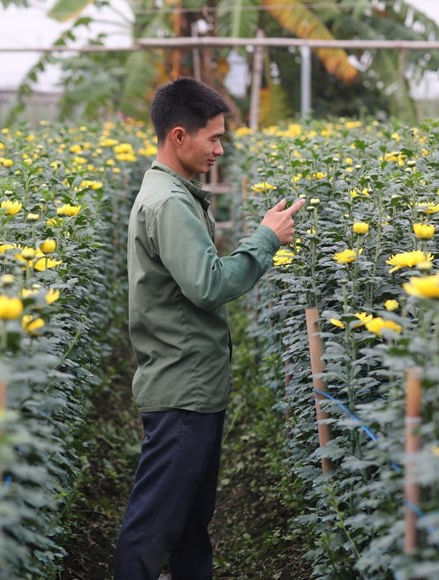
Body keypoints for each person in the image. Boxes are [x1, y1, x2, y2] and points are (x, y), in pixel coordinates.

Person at [113, 77, 304, 579]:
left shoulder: (173, 193)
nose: (220, 149)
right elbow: (208, 285)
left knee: (192, 526)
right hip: (182, 391)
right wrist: (265, 239)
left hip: (193, 386)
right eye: (213, 138)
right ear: (178, 136)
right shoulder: (170, 203)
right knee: (154, 526)